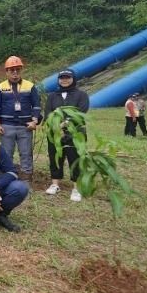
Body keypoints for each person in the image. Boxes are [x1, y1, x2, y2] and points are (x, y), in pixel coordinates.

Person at [0, 56, 42, 181]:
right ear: (7, 72)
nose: (15, 73)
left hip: (25, 126)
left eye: (17, 70)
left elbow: (36, 106)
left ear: (21, 70)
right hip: (6, 127)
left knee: (26, 153)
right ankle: (6, 177)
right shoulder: (0, 87)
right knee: (6, 154)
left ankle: (26, 178)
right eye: (12, 70)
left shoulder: (30, 86)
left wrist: (34, 121)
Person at [44, 69, 90, 200]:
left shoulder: (81, 95)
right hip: (55, 133)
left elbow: (81, 112)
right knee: (55, 157)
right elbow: (48, 112)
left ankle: (76, 188)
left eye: (67, 77)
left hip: (75, 133)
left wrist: (64, 124)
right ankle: (55, 184)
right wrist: (55, 126)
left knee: (75, 158)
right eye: (62, 77)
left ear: (73, 79)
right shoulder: (52, 95)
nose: (64, 80)